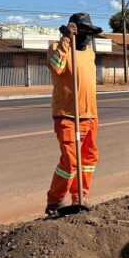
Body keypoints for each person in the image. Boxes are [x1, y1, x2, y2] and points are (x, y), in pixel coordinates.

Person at [45, 13, 102, 215]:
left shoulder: (89, 52)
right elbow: (56, 67)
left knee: (88, 159)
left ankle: (80, 197)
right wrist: (66, 40)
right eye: (83, 32)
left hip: (90, 115)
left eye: (90, 33)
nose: (88, 37)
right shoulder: (57, 47)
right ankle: (55, 201)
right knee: (70, 161)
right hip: (67, 115)